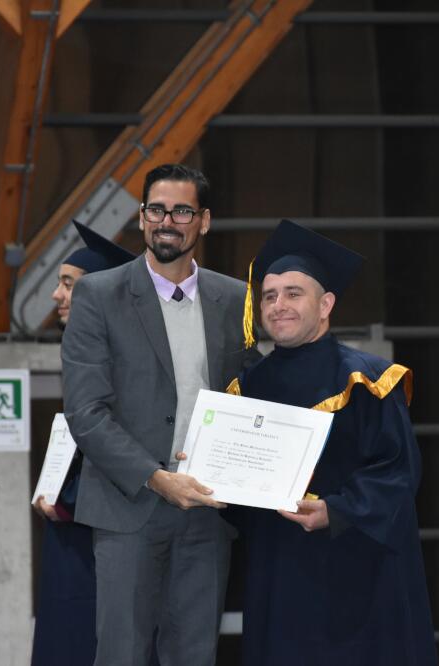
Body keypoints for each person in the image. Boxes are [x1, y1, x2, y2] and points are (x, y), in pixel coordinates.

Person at [61, 163, 259, 666]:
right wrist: (156, 478)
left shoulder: (234, 298)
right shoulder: (98, 294)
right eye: (156, 210)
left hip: (208, 511)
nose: (167, 222)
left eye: (182, 211)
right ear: (141, 216)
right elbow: (86, 412)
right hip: (128, 507)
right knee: (121, 655)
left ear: (204, 221)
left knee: (195, 655)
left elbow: (250, 396)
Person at [225, 219, 437, 665]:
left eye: (293, 293)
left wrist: (336, 510)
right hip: (278, 573)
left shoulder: (367, 380)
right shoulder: (247, 388)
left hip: (354, 571)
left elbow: (398, 471)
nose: (278, 305)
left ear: (326, 304)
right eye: (269, 295)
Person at [31, 220, 134, 666]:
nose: (56, 295)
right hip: (70, 525)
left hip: (106, 528)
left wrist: (70, 499)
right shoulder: (82, 351)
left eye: (68, 284)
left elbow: (123, 443)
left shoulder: (129, 360)